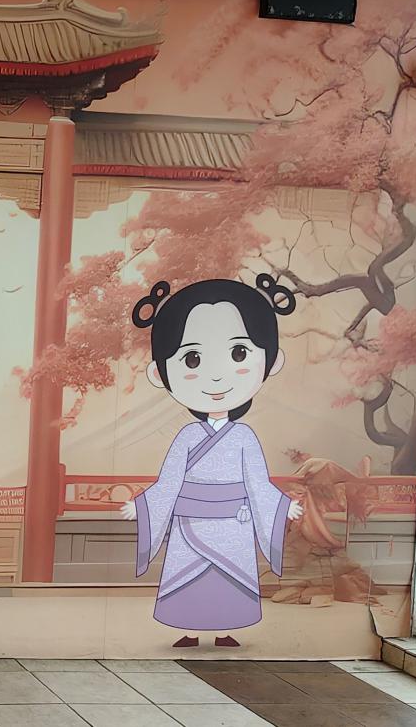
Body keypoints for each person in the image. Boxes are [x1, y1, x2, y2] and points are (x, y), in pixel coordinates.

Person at [119, 275, 306, 648]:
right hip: (190, 522)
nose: (217, 375)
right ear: (159, 372)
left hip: (233, 522)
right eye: (192, 359)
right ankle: (189, 630)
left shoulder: (243, 437)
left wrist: (282, 506)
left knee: (228, 576)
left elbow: (258, 483)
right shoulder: (188, 437)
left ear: (271, 361)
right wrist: (142, 506)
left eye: (239, 354)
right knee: (190, 576)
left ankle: (224, 630)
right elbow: (169, 482)